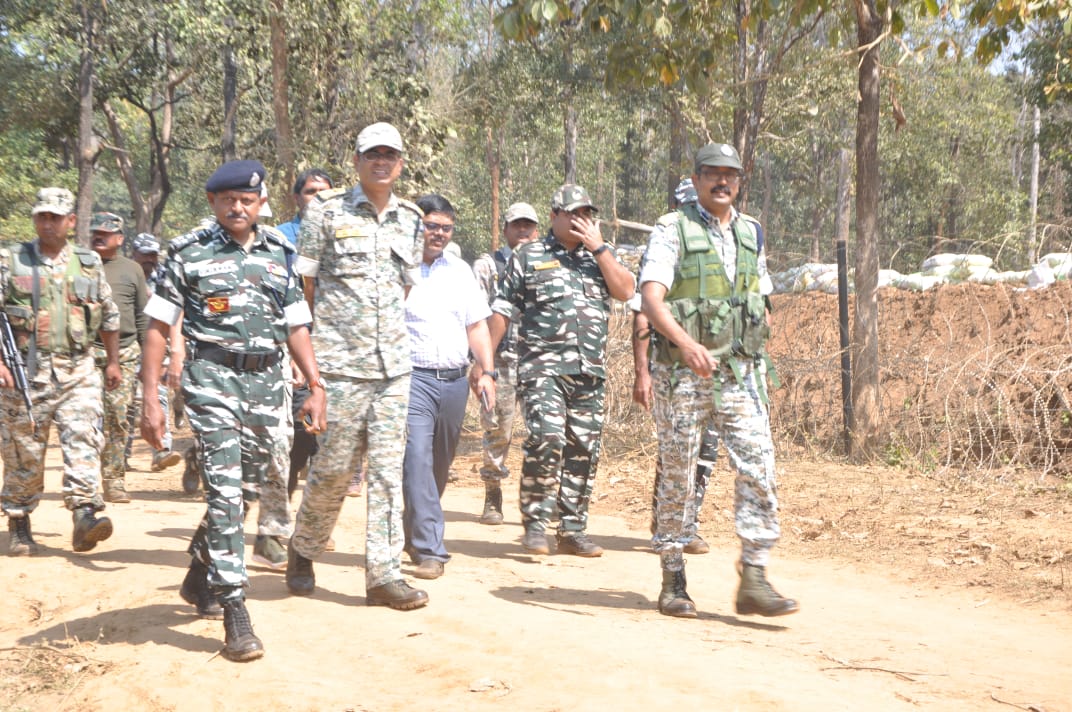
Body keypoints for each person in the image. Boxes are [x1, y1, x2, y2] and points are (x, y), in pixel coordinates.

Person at [140, 159, 327, 662]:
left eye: (246, 199)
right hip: (212, 383)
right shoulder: (187, 253)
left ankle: (200, 570)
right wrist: (150, 395)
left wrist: (314, 383)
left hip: (268, 385)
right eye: (227, 200)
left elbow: (296, 325)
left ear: (261, 201)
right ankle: (235, 611)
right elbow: (158, 327)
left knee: (246, 489)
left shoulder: (279, 253)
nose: (237, 207)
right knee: (223, 490)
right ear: (213, 203)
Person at [640, 142, 798, 619]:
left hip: (740, 374)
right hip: (681, 374)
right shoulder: (673, 229)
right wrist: (686, 345)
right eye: (712, 173)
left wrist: (760, 361)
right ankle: (673, 578)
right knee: (679, 474)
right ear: (697, 178)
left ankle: (754, 575)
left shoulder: (751, 233)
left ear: (740, 179)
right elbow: (651, 297)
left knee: (759, 467)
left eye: (731, 174)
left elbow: (758, 298)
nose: (722, 182)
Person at [285, 121, 429, 610]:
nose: (381, 161)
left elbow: (402, 286)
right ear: (357, 161)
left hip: (393, 368)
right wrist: (312, 367)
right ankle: (303, 549)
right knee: (332, 468)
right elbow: (303, 290)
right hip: (340, 367)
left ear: (401, 162)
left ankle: (383, 575)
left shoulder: (411, 218)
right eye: (373, 154)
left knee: (388, 472)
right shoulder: (325, 212)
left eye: (390, 154)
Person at [484, 184, 635, 557]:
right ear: (554, 217)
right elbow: (502, 309)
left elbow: (626, 290)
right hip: (542, 369)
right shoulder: (529, 255)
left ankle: (571, 530)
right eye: (573, 213)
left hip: (589, 371)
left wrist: (599, 248)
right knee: (548, 437)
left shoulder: (601, 255)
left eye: (586, 213)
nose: (581, 220)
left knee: (584, 448)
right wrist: (484, 364)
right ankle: (535, 523)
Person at [1, 187, 120, 556]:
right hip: (26, 370)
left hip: (79, 367)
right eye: (42, 216)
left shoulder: (88, 262)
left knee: (83, 436)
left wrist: (113, 361)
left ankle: (85, 514)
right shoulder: (11, 258)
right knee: (25, 450)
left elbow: (108, 313)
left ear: (71, 221)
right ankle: (19, 521)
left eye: (56, 217)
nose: (48, 223)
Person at [402, 194, 496, 580]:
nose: (438, 233)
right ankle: (430, 549)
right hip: (412, 380)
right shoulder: (399, 268)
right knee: (417, 459)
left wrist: (486, 371)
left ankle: (413, 532)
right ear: (417, 226)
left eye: (445, 227)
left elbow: (476, 326)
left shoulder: (460, 272)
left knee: (438, 465)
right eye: (431, 226)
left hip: (455, 382)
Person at [630, 179, 713, 555]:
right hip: (673, 369)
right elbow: (643, 315)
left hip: (713, 369)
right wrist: (643, 374)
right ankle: (669, 525)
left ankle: (688, 523)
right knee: (677, 451)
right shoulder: (664, 242)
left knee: (705, 453)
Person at [471, 202, 539, 525]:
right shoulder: (488, 266)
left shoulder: (545, 264)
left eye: (529, 226)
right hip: (502, 361)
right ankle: (493, 493)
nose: (523, 231)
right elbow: (475, 314)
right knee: (498, 430)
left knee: (544, 432)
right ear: (506, 229)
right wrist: (482, 365)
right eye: (517, 226)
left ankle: (537, 500)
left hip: (539, 362)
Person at [89, 212, 148, 503]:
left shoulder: (132, 269)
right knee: (83, 420)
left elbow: (141, 315)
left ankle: (113, 481)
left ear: (120, 239)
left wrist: (149, 359)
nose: (99, 236)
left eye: (106, 233)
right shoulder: (79, 264)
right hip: (84, 353)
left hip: (124, 354)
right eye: (95, 232)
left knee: (117, 418)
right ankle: (84, 484)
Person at [127, 233, 184, 478]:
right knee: (127, 404)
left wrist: (174, 352)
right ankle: (121, 454)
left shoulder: (164, 278)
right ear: (134, 253)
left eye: (153, 254)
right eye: (145, 254)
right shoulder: (126, 274)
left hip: (156, 346)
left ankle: (161, 449)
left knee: (158, 395)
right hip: (127, 344)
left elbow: (173, 314)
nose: (150, 259)